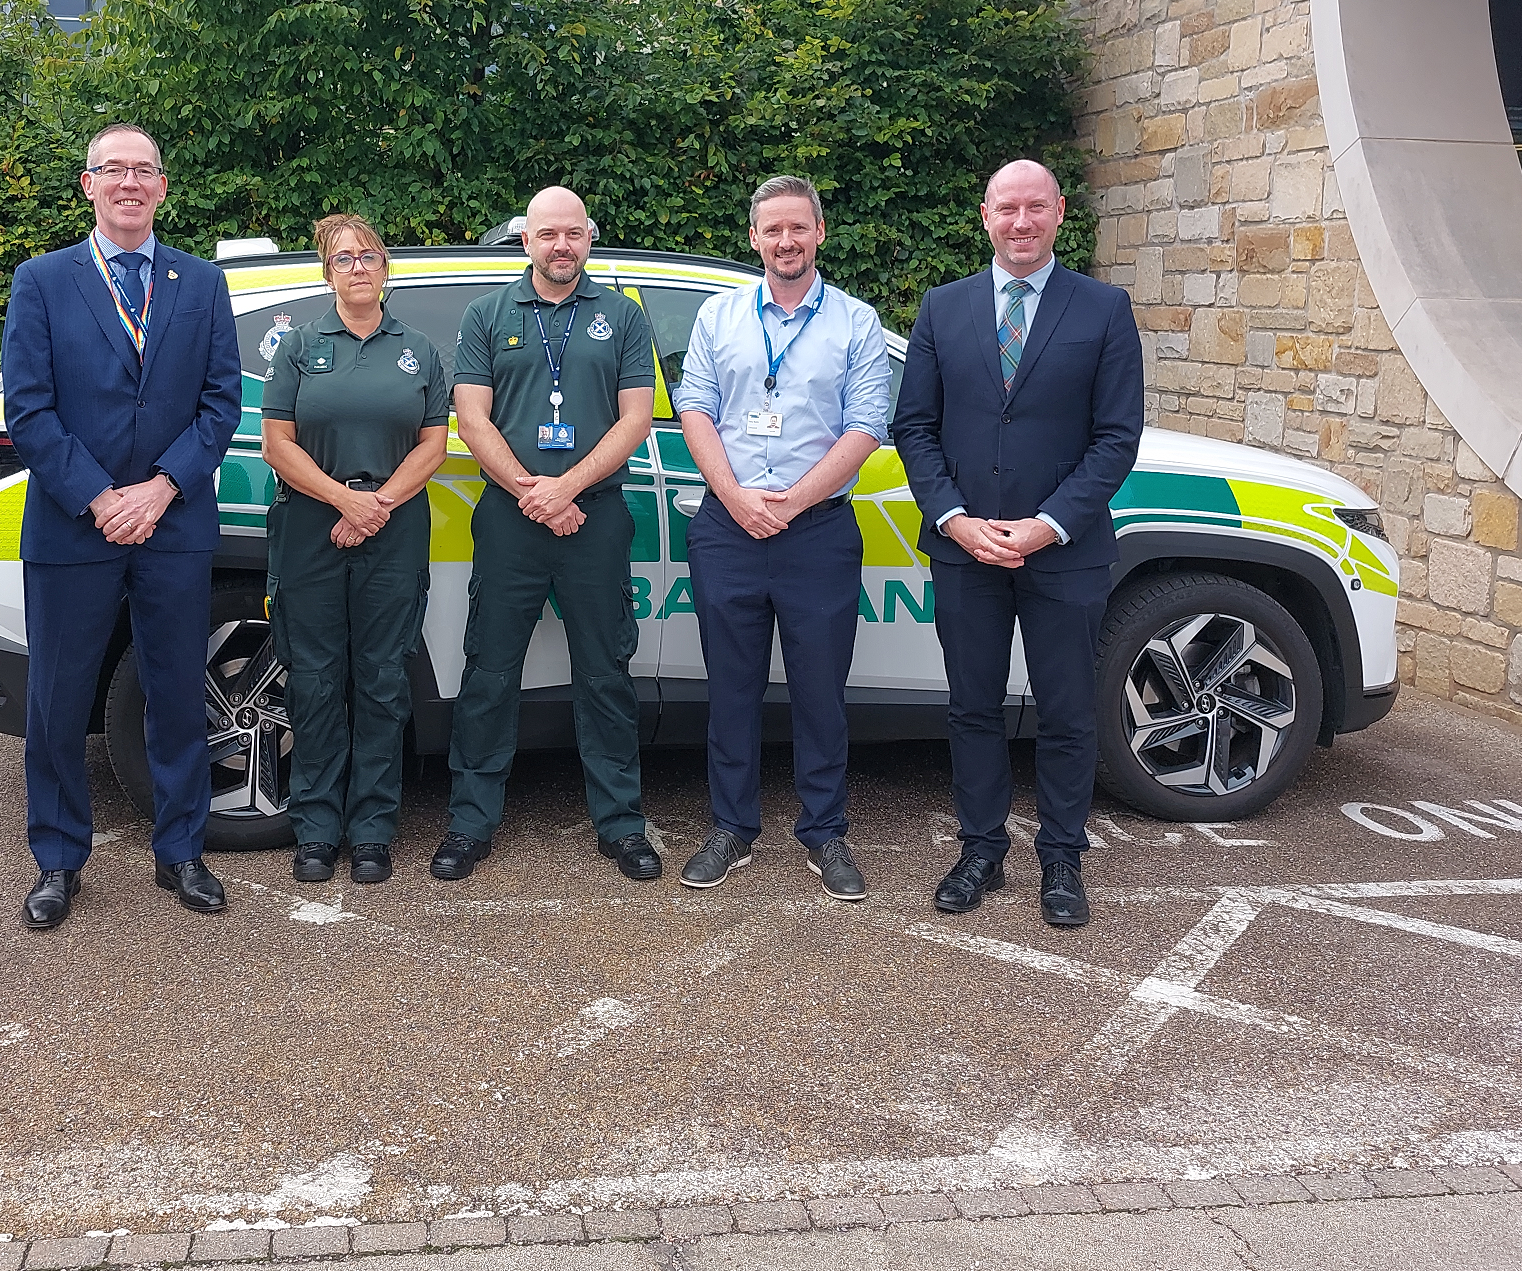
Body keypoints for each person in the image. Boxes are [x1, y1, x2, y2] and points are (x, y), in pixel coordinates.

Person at [0, 124, 243, 928]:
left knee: (176, 693)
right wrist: (104, 498)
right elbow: (27, 408)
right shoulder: (41, 280)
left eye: (145, 170)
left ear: (163, 187)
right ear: (89, 185)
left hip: (173, 524)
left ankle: (182, 852)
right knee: (59, 701)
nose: (130, 183)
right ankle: (58, 861)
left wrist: (164, 487)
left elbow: (221, 405)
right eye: (115, 171)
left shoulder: (201, 284)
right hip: (75, 526)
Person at [891, 159, 1143, 929]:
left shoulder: (1103, 309)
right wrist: (955, 519)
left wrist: (1046, 524)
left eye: (1036, 207)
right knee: (972, 707)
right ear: (985, 215)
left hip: (1064, 552)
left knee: (1067, 711)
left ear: (1059, 212)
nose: (1022, 221)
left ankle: (1062, 859)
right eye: (1008, 208)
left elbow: (1115, 437)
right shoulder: (943, 307)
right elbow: (915, 428)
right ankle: (981, 852)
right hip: (965, 548)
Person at [674, 176, 892, 902]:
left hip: (818, 530)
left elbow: (866, 424)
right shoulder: (719, 316)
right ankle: (731, 828)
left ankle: (825, 832)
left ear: (820, 233)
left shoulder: (856, 322)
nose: (786, 241)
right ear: (754, 238)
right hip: (727, 526)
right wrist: (738, 498)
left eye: (799, 228)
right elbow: (696, 408)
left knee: (821, 691)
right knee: (730, 688)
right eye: (773, 230)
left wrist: (792, 503)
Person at [438, 185, 659, 882]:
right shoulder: (486, 313)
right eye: (547, 235)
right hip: (510, 519)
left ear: (588, 238)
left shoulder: (622, 315)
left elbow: (635, 419)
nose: (561, 246)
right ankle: (470, 824)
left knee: (605, 673)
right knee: (490, 671)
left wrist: (567, 488)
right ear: (525, 240)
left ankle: (621, 825)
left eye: (574, 234)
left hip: (595, 516)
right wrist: (534, 493)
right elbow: (471, 418)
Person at [259, 214, 451, 886]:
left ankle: (371, 831)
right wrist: (345, 502)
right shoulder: (299, 346)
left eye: (369, 255)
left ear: (385, 267)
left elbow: (434, 445)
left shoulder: (419, 350)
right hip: (312, 528)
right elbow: (276, 443)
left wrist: (376, 507)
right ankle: (315, 830)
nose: (358, 266)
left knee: (382, 682)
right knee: (313, 682)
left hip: (393, 529)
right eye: (343, 258)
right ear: (327, 272)